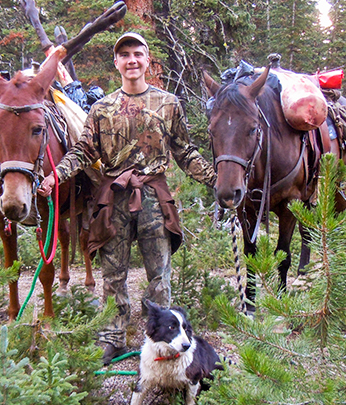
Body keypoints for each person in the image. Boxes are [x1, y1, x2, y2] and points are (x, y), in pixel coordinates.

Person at [38, 32, 216, 364]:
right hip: (114, 199)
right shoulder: (101, 108)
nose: (132, 60)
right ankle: (113, 338)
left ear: (148, 61)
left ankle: (166, 341)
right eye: (125, 55)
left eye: (138, 53)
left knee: (159, 276)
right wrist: (54, 176)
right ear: (116, 63)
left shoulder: (169, 104)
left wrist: (215, 180)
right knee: (112, 274)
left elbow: (185, 152)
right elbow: (83, 151)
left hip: (154, 197)